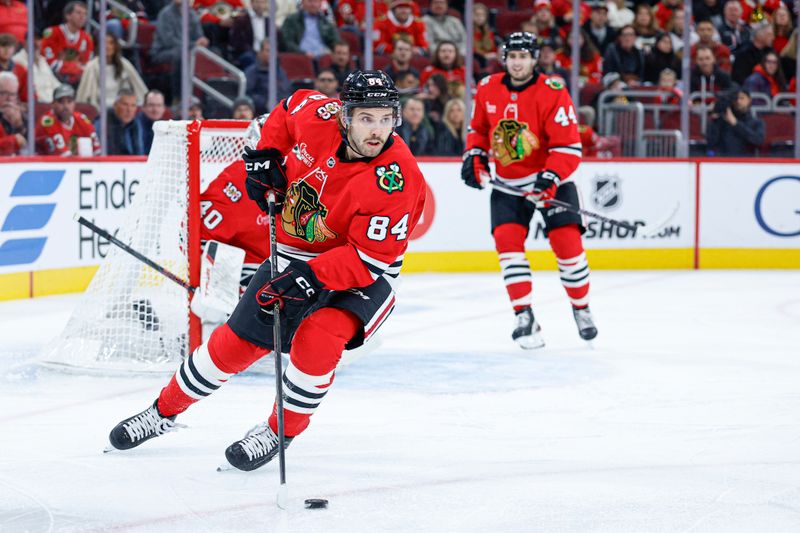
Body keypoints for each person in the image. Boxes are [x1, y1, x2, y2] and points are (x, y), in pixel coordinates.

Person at [107, 70, 427, 473]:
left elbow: (369, 259)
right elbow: (289, 107)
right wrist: (264, 156)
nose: (377, 130)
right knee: (231, 346)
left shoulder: (397, 178)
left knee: (318, 340)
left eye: (385, 118)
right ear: (344, 116)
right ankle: (161, 412)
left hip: (360, 274)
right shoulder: (318, 115)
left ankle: (279, 432)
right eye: (366, 118)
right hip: (293, 255)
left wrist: (311, 277)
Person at [461, 32, 597, 349]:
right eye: (512, 56)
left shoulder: (553, 90)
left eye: (523, 56)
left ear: (534, 59)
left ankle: (582, 308)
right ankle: (524, 314)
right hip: (508, 184)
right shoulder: (487, 87)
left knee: (568, 248)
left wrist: (548, 178)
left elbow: (568, 147)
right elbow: (478, 130)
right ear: (504, 58)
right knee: (508, 247)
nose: (517, 62)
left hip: (552, 181)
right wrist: (475, 157)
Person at [76, 33, 148, 109]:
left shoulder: (125, 64)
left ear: (115, 46)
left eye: (111, 43)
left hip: (122, 108)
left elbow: (140, 89)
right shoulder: (91, 66)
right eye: (104, 43)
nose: (107, 46)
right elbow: (83, 97)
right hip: (99, 109)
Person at [35, 83, 100, 155]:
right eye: (61, 102)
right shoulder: (47, 121)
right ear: (53, 104)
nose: (66, 106)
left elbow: (97, 151)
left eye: (69, 101)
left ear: (74, 103)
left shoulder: (82, 119)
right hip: (46, 164)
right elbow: (64, 157)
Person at [41, 1, 93, 86]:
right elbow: (48, 63)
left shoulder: (87, 38)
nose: (82, 17)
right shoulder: (52, 33)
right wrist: (75, 67)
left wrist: (68, 67)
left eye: (85, 14)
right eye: (78, 13)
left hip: (78, 81)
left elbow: (86, 66)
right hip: (52, 79)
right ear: (68, 16)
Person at [705, 88, 764, 156]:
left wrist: (736, 123)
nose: (738, 101)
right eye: (736, 98)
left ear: (749, 100)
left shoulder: (756, 122)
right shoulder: (721, 120)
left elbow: (758, 140)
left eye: (742, 98)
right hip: (722, 162)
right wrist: (714, 120)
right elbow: (711, 143)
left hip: (746, 162)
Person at [12, 32, 61, 104]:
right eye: (32, 39)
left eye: (38, 39)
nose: (35, 43)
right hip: (35, 105)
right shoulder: (17, 60)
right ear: (24, 42)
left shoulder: (43, 61)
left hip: (52, 103)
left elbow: (56, 84)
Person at [100, 88, 145, 155]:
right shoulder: (102, 123)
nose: (129, 110)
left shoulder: (136, 123)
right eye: (125, 104)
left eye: (133, 105)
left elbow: (139, 153)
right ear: (115, 105)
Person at [229, 0, 270, 69]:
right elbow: (236, 42)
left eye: (263, 2)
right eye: (258, 2)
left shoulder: (268, 21)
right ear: (251, 3)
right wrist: (256, 53)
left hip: (265, 53)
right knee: (249, 57)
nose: (260, 6)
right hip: (247, 53)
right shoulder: (241, 20)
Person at [0, 70, 25, 154]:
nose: (9, 98)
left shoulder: (22, 116)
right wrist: (13, 140)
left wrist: (19, 126)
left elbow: (33, 145)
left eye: (12, 94)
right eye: (4, 93)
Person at [0, 33, 29, 102]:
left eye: (10, 47)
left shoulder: (21, 70)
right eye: (3, 46)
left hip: (15, 106)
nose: (7, 50)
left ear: (14, 49)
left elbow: (27, 97)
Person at [136, 89, 167, 154]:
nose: (155, 109)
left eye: (159, 105)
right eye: (151, 105)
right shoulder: (135, 125)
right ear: (143, 107)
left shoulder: (168, 127)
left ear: (164, 108)